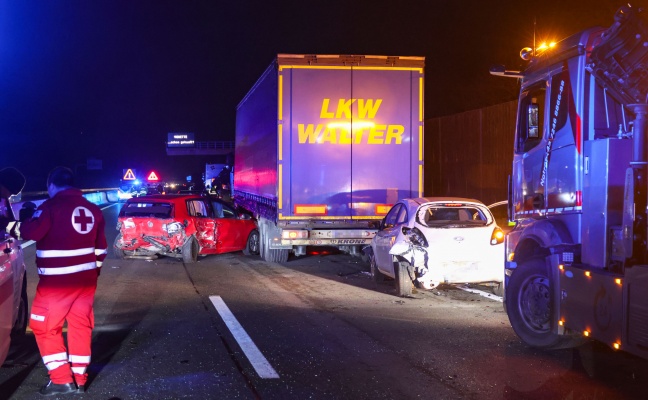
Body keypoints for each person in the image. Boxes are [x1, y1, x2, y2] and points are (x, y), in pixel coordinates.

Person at [16, 167, 107, 396]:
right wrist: (91, 274)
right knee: (80, 326)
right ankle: (80, 378)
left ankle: (61, 380)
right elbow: (101, 249)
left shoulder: (49, 207)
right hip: (86, 282)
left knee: (44, 327)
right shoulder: (93, 209)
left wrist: (22, 220)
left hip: (57, 284)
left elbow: (31, 232)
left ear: (51, 185)